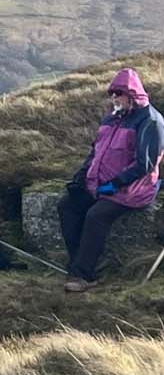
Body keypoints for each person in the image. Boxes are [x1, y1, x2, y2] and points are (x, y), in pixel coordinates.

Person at [58, 68, 164, 291]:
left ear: (132, 94)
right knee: (67, 205)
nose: (114, 98)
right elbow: (95, 151)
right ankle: (78, 262)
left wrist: (114, 184)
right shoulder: (112, 119)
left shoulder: (150, 122)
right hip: (99, 184)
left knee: (96, 216)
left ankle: (82, 276)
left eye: (119, 93)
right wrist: (81, 176)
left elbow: (144, 165)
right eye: (112, 93)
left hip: (133, 189)